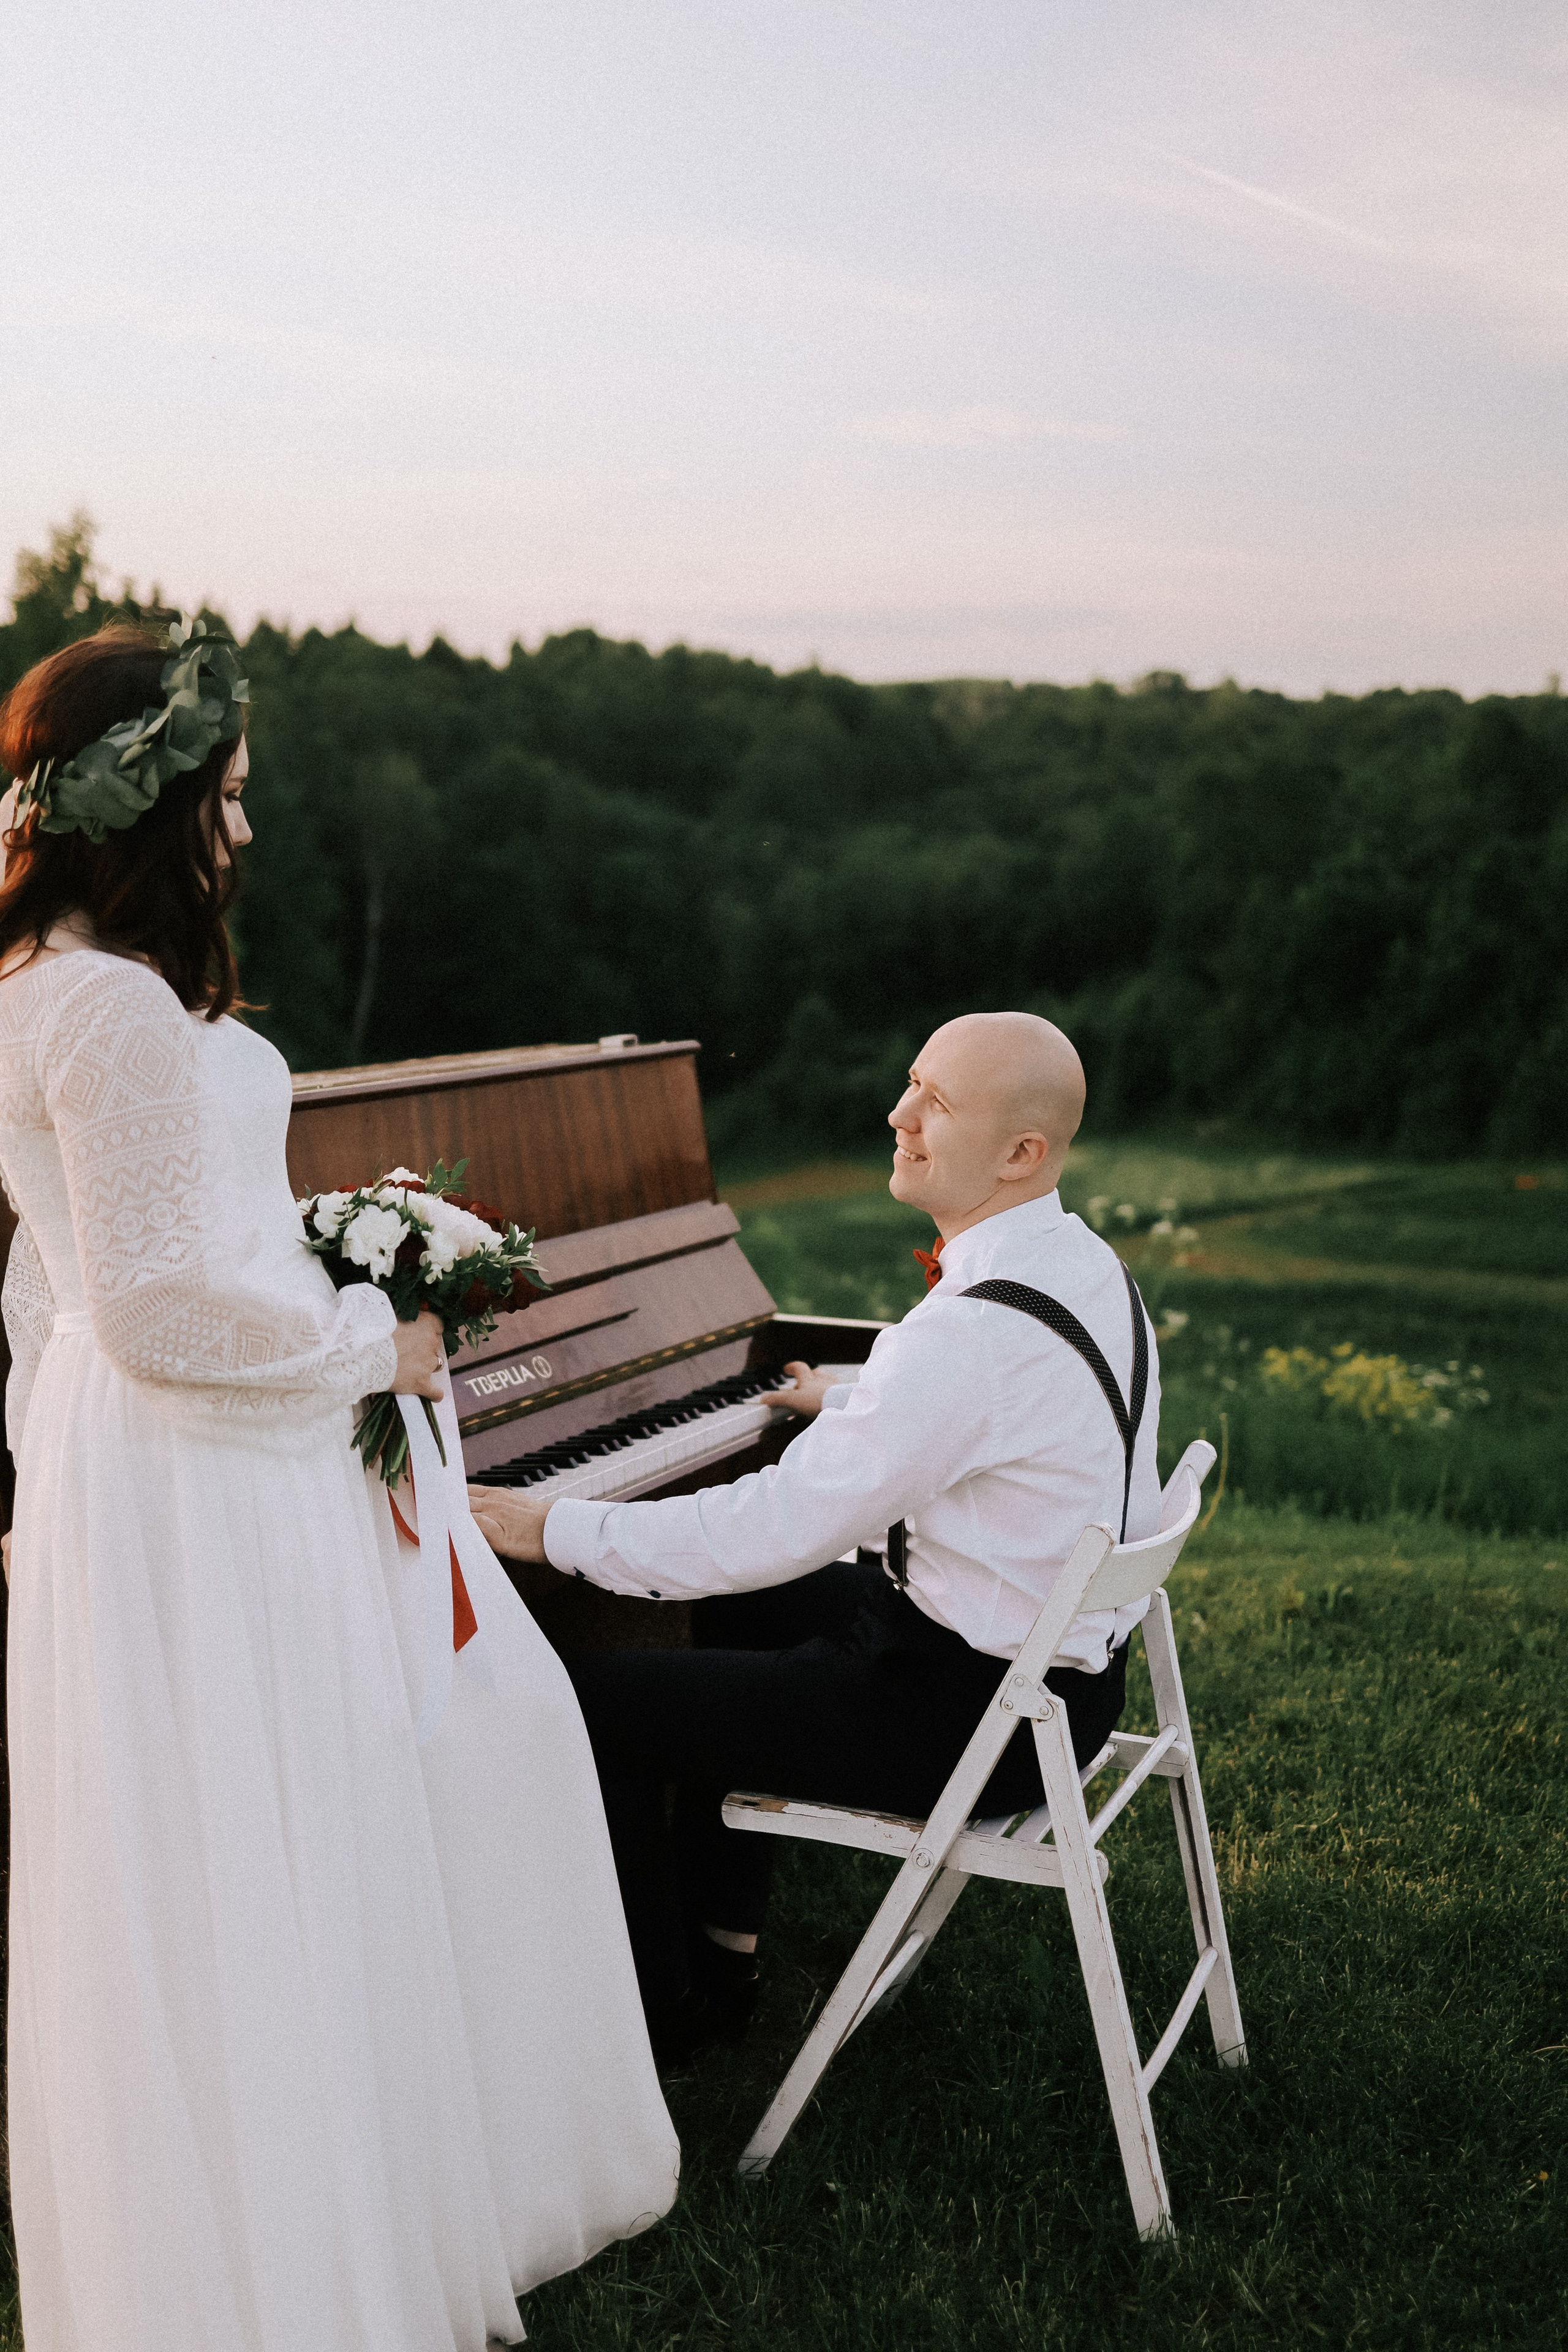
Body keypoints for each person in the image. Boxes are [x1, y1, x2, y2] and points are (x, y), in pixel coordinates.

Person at [0, 622, 677, 2352]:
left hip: (138, 1452)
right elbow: (151, 1309)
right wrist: (367, 1341)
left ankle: (260, 2228)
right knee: (255, 1830)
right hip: (202, 1458)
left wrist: (54, 1449)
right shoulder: (113, 1007)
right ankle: (289, 2277)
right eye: (230, 799)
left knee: (207, 1851)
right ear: (151, 806)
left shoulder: (39, 991)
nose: (248, 833)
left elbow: (53, 1289)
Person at [470, 1010, 1162, 2062]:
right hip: (1059, 1689)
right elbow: (983, 1411)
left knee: (587, 1699)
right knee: (732, 1608)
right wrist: (844, 1401)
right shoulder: (1082, 1263)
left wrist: (551, 1525)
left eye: (938, 1102)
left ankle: (666, 2020)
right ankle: (723, 1939)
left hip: (968, 1717)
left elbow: (778, 1526)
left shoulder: (968, 1337)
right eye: (911, 1081)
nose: (900, 1114)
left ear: (1022, 1153)